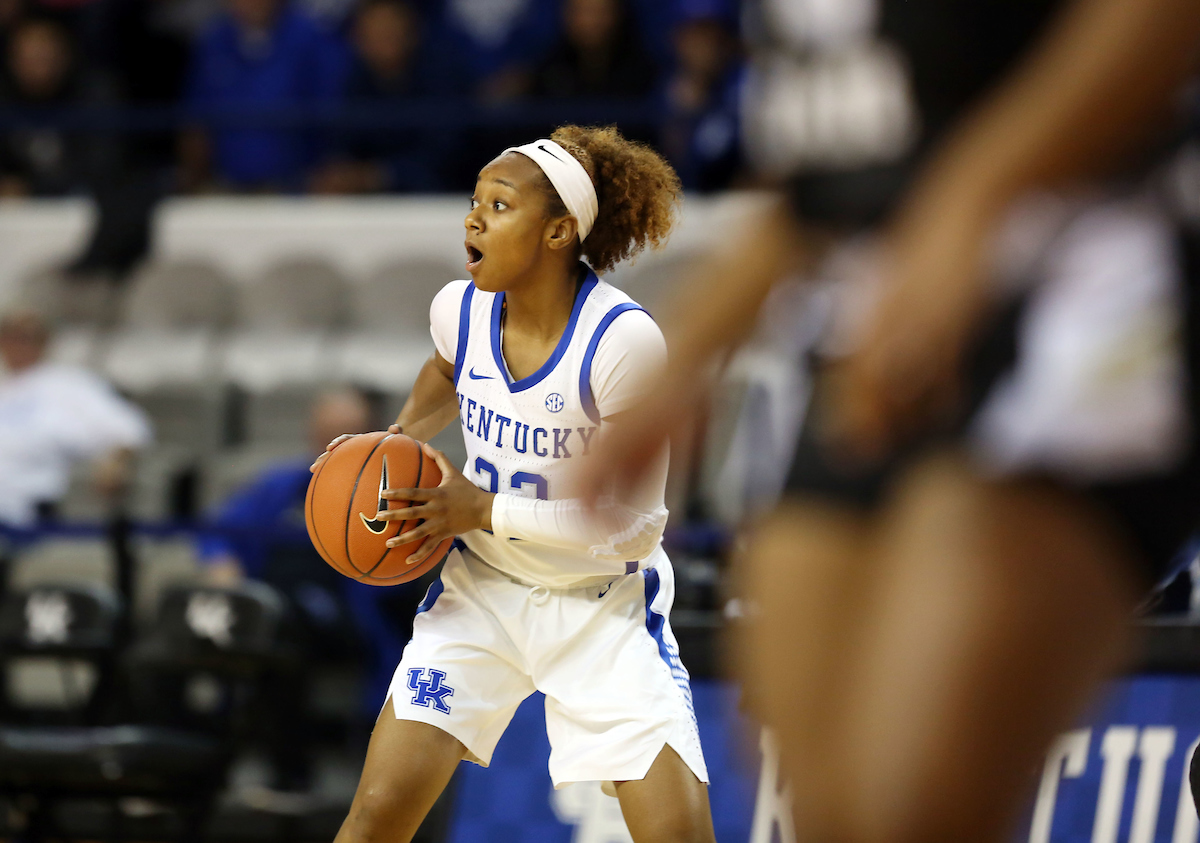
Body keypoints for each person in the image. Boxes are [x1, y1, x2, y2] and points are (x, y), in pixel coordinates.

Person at [588, 0, 1200, 839]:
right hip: (870, 323)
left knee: (918, 807)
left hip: (1077, 292)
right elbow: (821, 183)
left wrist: (977, 192)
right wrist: (683, 355)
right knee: (831, 809)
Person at [315, 125, 716, 843]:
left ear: (560, 231)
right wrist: (395, 441)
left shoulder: (621, 342)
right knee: (375, 815)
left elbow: (637, 525)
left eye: (499, 204)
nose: (473, 217)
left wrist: (485, 507)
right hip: (483, 595)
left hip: (601, 609)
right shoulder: (459, 310)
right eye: (474, 200)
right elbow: (445, 367)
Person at [0, 310, 151, 526]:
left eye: (26, 338)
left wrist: (116, 462)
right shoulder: (4, 387)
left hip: (29, 506)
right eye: (10, 337)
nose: (18, 346)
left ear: (44, 341)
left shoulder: (69, 383)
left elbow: (130, 429)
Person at [180, 0, 348, 191]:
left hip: (295, 190)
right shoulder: (213, 41)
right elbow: (195, 120)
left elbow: (332, 118)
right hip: (225, 187)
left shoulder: (311, 38)